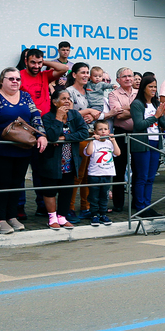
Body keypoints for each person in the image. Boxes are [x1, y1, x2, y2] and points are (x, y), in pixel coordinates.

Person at [0, 68, 46, 235]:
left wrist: (41, 135)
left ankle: (12, 216)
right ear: (1, 80)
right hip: (0, 149)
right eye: (10, 79)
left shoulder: (25, 96)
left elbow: (35, 116)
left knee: (17, 183)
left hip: (22, 148)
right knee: (1, 184)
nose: (15, 82)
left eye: (17, 79)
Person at [18, 48, 68, 218]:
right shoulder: (18, 76)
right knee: (20, 171)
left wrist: (42, 62)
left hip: (44, 128)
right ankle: (19, 207)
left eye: (39, 63)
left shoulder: (44, 75)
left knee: (41, 170)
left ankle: (42, 206)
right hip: (25, 128)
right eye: (33, 62)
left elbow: (64, 68)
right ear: (26, 61)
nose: (36, 66)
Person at [40, 88, 87, 229]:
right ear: (55, 102)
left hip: (70, 161)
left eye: (69, 98)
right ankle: (52, 218)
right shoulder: (48, 117)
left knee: (66, 190)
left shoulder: (74, 115)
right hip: (52, 160)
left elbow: (84, 133)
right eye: (63, 99)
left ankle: (62, 217)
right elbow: (52, 136)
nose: (67, 101)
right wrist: (59, 118)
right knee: (50, 190)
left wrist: (65, 137)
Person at [64, 62, 101, 219]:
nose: (86, 75)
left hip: (92, 135)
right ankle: (69, 208)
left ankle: (86, 207)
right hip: (77, 137)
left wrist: (93, 115)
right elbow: (68, 113)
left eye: (87, 72)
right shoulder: (69, 91)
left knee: (88, 174)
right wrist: (88, 111)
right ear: (74, 75)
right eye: (83, 72)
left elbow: (97, 112)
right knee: (77, 174)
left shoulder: (89, 90)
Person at [130, 74, 165, 216]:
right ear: (143, 88)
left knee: (151, 177)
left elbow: (164, 124)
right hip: (142, 144)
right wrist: (155, 116)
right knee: (142, 176)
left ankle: (148, 205)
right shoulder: (137, 104)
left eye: (155, 87)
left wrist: (163, 113)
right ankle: (140, 207)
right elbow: (139, 125)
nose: (153, 89)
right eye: (150, 86)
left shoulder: (156, 103)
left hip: (155, 142)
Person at [103, 67, 140, 213]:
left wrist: (127, 109)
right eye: (124, 76)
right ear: (118, 80)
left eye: (130, 75)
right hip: (121, 134)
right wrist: (136, 110)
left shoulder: (139, 92)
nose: (128, 78)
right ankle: (118, 204)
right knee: (119, 169)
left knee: (138, 169)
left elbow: (144, 111)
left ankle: (137, 202)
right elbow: (118, 115)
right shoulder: (113, 94)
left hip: (137, 134)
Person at [83, 120, 118, 226]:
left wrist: (114, 141)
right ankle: (94, 215)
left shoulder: (109, 143)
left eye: (105, 129)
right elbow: (88, 152)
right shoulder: (93, 142)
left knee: (104, 195)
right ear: (95, 132)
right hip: (94, 174)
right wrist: (92, 140)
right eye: (100, 129)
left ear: (109, 131)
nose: (103, 131)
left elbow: (117, 153)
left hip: (107, 174)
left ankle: (103, 214)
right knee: (94, 196)